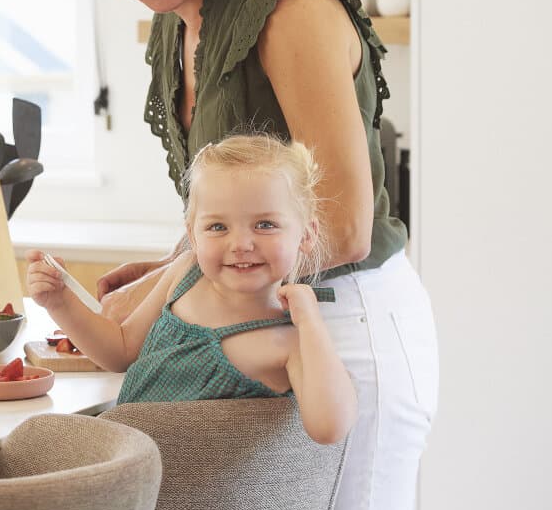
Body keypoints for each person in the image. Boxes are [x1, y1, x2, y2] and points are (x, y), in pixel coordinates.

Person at [58, 0, 439, 510]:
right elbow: (233, 196)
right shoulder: (178, 20)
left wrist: (191, 273)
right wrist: (179, 263)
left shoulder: (288, 12)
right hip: (263, 329)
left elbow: (343, 226)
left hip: (345, 327)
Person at [28, 134, 357, 446]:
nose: (241, 244)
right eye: (217, 227)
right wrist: (59, 303)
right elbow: (119, 350)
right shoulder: (186, 273)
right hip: (124, 472)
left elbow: (330, 428)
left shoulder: (290, 343)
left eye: (265, 225)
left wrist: (310, 320)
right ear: (193, 234)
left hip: (193, 497)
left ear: (306, 234)